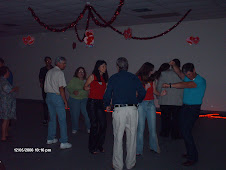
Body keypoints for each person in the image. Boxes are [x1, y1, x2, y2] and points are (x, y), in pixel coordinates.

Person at [103, 57, 146, 170]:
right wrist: (138, 101)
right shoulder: (133, 77)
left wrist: (107, 104)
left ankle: (118, 165)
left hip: (119, 110)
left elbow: (107, 94)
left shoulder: (113, 78)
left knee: (118, 137)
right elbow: (142, 92)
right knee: (132, 137)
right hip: (132, 110)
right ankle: (130, 164)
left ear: (117, 66)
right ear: (127, 66)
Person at [163, 62, 206, 166]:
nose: (188, 77)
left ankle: (193, 157)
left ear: (194, 70)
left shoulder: (200, 80)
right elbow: (179, 73)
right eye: (187, 75)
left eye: (190, 74)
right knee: (183, 130)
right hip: (185, 107)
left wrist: (169, 85)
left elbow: (185, 85)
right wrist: (173, 65)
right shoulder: (187, 77)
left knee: (186, 132)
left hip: (193, 109)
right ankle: (190, 153)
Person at [135, 62, 166, 156]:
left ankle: (154, 147)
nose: (152, 71)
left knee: (152, 128)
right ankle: (138, 150)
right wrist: (145, 89)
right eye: (151, 70)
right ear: (146, 69)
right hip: (141, 104)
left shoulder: (151, 78)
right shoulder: (138, 78)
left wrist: (160, 94)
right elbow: (136, 94)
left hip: (151, 104)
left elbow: (154, 91)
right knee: (140, 129)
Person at [44, 56, 72, 149]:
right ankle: (64, 141)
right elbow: (61, 88)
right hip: (56, 96)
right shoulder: (59, 73)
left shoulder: (49, 71)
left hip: (48, 96)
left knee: (52, 118)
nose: (65, 65)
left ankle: (50, 138)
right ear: (58, 63)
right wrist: (65, 101)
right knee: (62, 119)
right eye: (63, 63)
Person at [84, 60, 108, 154]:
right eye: (103, 66)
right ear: (98, 67)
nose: (104, 68)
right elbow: (85, 86)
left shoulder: (105, 78)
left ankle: (99, 145)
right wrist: (88, 88)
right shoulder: (92, 76)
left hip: (100, 103)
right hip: (92, 103)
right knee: (94, 125)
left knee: (103, 125)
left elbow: (105, 93)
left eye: (105, 66)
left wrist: (107, 103)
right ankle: (92, 147)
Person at [157, 59, 183, 139]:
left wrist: (159, 96)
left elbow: (159, 86)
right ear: (179, 65)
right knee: (176, 119)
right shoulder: (182, 75)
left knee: (165, 118)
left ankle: (164, 133)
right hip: (178, 101)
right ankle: (175, 134)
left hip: (165, 100)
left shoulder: (164, 73)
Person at [67, 67, 90, 134]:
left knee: (86, 114)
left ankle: (89, 127)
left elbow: (88, 89)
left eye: (82, 71)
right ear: (77, 73)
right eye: (79, 71)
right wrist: (73, 91)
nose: (81, 73)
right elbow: (69, 88)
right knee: (75, 114)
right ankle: (75, 128)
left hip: (84, 99)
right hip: (75, 99)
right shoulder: (74, 80)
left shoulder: (86, 80)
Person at [0, 66, 18, 141]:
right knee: (5, 119)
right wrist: (15, 88)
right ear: (5, 73)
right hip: (5, 103)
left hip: (6, 102)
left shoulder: (3, 80)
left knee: (7, 119)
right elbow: (8, 90)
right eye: (8, 72)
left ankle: (6, 134)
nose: (9, 73)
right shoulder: (3, 81)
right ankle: (3, 136)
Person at [39, 56, 53, 125]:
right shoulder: (42, 69)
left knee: (53, 103)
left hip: (53, 89)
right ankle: (45, 118)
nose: (48, 62)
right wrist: (41, 83)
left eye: (49, 61)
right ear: (45, 62)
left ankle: (52, 118)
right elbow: (40, 78)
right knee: (45, 103)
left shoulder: (54, 69)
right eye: (47, 61)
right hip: (45, 89)